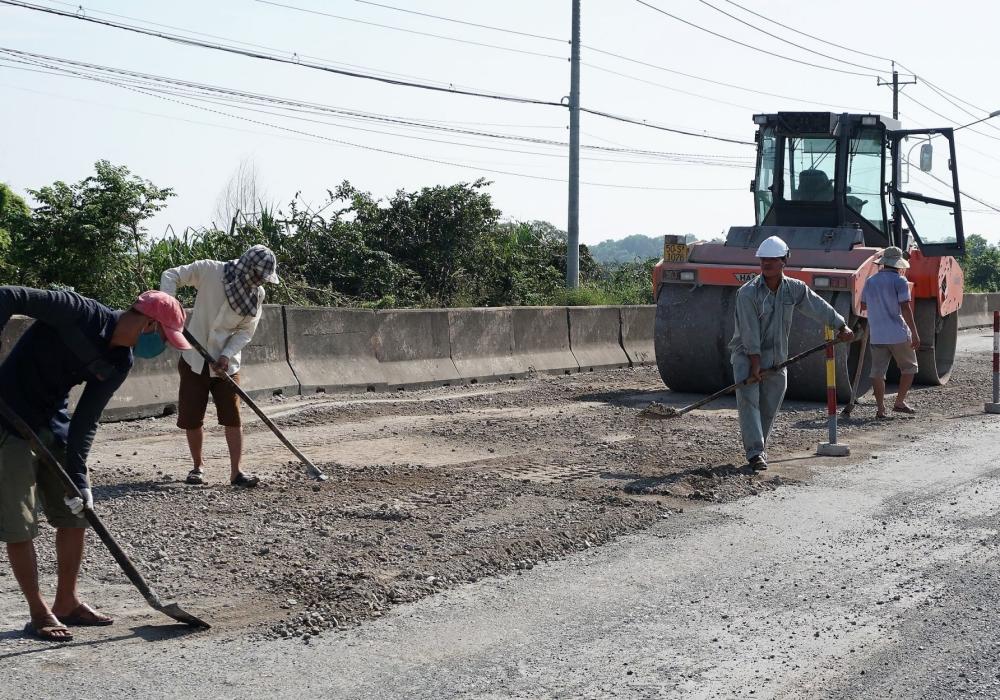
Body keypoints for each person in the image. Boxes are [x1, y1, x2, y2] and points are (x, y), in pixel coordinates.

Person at [0, 286, 190, 642]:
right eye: (164, 337)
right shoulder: (77, 311)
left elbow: (86, 422)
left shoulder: (119, 363)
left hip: (50, 422)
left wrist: (80, 479)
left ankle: (67, 601)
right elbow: (7, 295)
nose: (161, 347)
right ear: (149, 324)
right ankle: (39, 610)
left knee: (76, 512)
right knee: (19, 522)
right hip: (6, 420)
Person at [730, 236, 855, 471]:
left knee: (770, 403)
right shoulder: (748, 294)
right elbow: (749, 331)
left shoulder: (793, 289)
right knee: (749, 402)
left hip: (778, 358)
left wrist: (840, 325)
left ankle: (760, 448)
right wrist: (755, 362)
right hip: (747, 356)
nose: (766, 264)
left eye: (772, 260)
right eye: (763, 260)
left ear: (784, 261)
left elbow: (816, 305)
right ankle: (755, 453)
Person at [160, 245, 279, 488]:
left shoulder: (257, 294)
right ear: (246, 266)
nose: (257, 281)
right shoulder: (210, 271)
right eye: (256, 275)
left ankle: (236, 472)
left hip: (227, 366)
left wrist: (226, 355)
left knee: (232, 418)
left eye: (262, 278)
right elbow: (170, 275)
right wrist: (169, 309)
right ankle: (198, 467)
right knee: (192, 418)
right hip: (194, 359)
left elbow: (246, 330)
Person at [860, 246, 920, 418]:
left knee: (878, 372)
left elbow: (863, 305)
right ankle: (899, 402)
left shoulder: (871, 281)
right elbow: (905, 308)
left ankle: (880, 409)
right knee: (909, 368)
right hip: (897, 333)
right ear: (899, 264)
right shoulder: (900, 281)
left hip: (877, 334)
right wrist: (914, 333)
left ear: (884, 263)